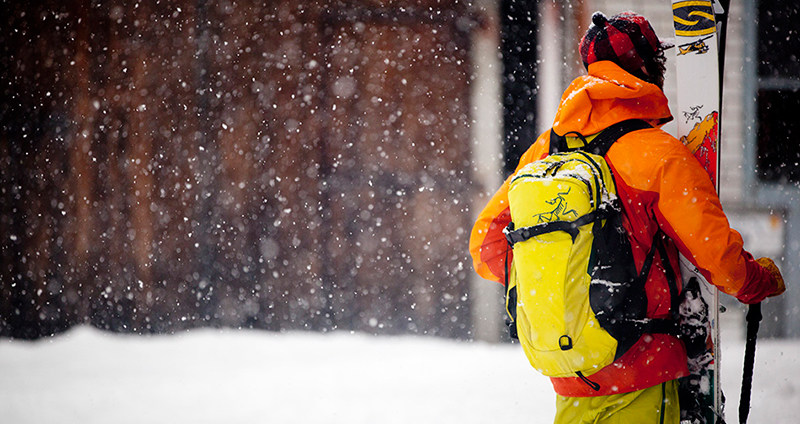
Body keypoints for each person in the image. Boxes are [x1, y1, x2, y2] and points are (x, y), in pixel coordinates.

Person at [468, 11, 785, 424]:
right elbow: (719, 258)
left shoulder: (545, 153)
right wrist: (757, 279)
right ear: (648, 68)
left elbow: (486, 246)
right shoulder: (657, 154)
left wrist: (564, 284)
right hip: (642, 366)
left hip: (570, 372)